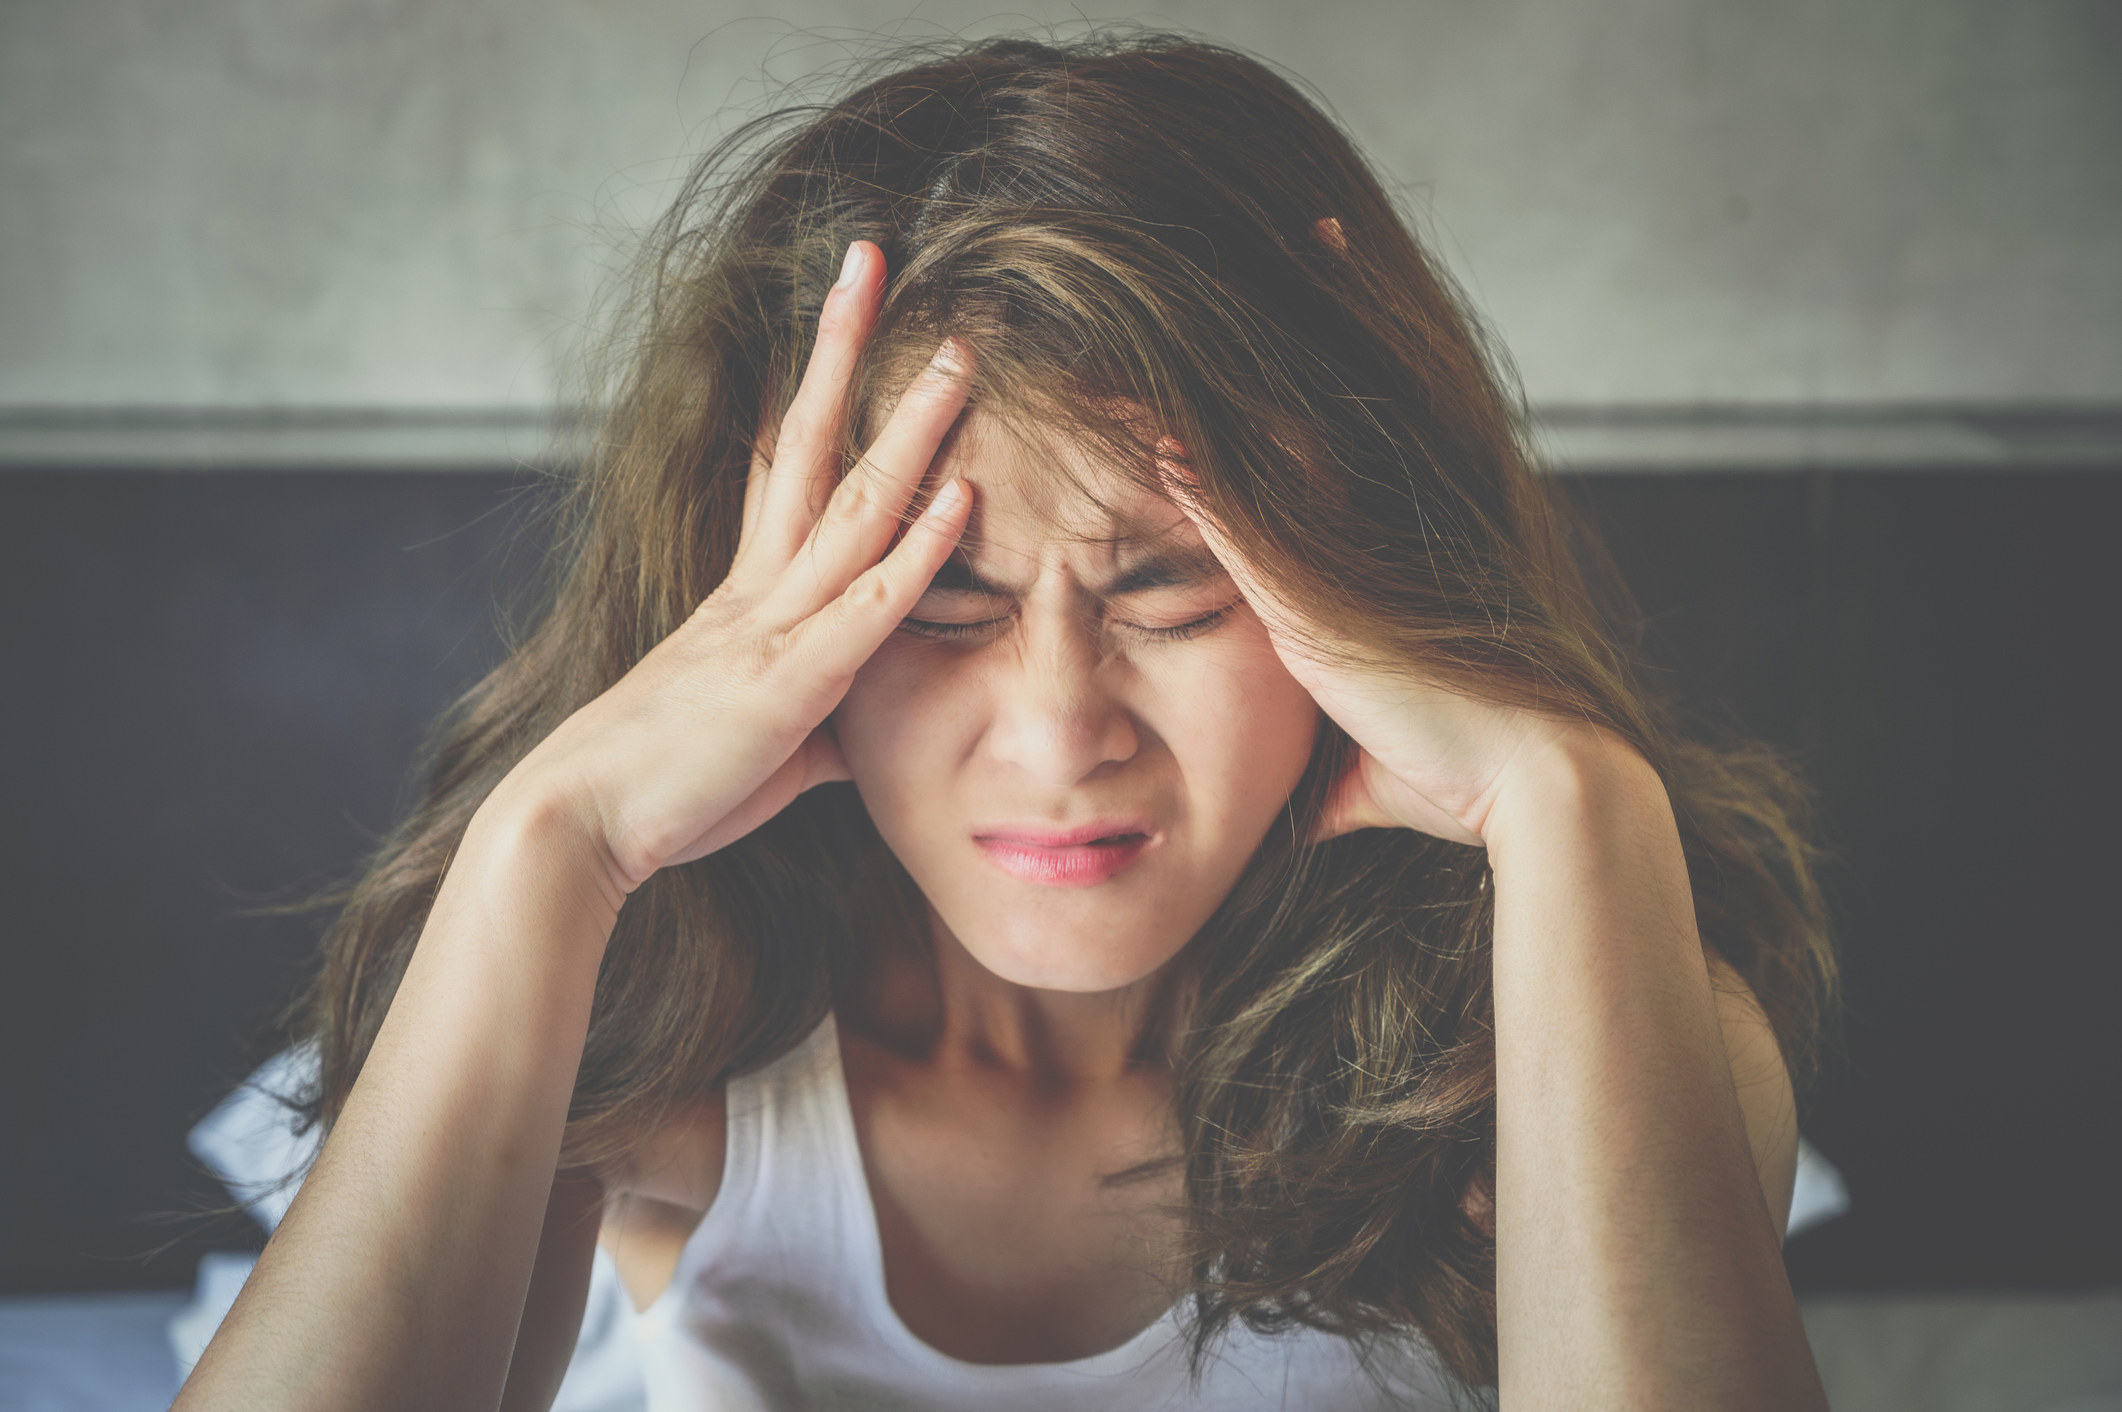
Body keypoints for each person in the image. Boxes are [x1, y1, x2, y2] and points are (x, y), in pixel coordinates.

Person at [173, 30, 1835, 1411]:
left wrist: (1570, 798)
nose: (1058, 733)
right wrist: (558, 837)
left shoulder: (1593, 1007)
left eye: (1175, 590)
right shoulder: (654, 1050)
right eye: (941, 605)